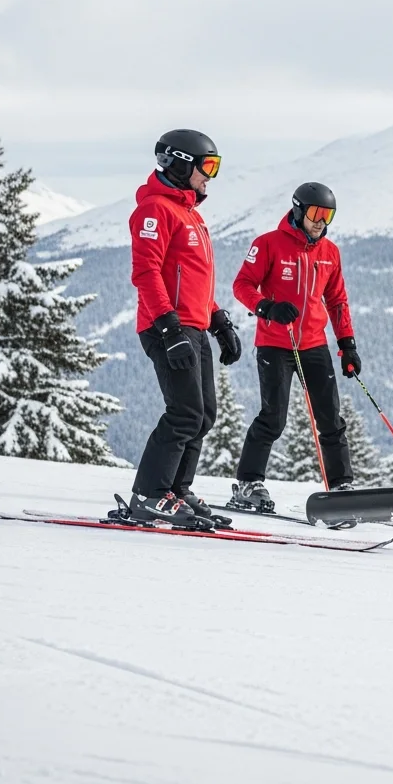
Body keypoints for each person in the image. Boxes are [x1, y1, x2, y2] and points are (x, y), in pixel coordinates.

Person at [129, 129, 241, 523]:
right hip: (167, 327)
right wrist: (168, 327)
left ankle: (175, 490)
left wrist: (219, 321)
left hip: (192, 327)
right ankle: (149, 494)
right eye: (207, 165)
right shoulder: (154, 210)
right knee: (184, 413)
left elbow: (193, 280)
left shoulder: (191, 215)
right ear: (179, 163)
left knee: (204, 414)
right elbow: (146, 273)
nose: (211, 175)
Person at [230, 182, 360, 510]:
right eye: (316, 213)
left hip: (314, 343)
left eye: (328, 215)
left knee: (330, 417)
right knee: (273, 417)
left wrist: (347, 343)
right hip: (275, 342)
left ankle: (341, 485)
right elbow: (242, 284)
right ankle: (248, 483)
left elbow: (337, 300)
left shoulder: (330, 252)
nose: (321, 221)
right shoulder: (268, 244)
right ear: (299, 210)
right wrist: (266, 307)